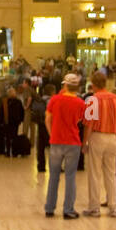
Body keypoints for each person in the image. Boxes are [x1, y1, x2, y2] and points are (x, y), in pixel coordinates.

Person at [84, 72, 116, 217]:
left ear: (93, 84)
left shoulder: (92, 100)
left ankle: (94, 207)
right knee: (111, 173)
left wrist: (85, 142)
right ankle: (113, 206)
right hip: (112, 138)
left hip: (98, 137)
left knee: (94, 173)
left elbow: (89, 124)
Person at [44, 74, 87, 219]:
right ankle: (68, 209)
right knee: (70, 177)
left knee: (53, 176)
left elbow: (47, 119)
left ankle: (49, 208)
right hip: (73, 142)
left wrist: (52, 134)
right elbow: (82, 121)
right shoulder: (81, 103)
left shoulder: (54, 100)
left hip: (56, 141)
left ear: (65, 85)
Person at [30, 85, 51, 172]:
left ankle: (41, 166)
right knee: (53, 148)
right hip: (50, 126)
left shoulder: (39, 101)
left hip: (40, 125)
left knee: (40, 147)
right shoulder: (52, 101)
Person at [3, 86, 25, 157]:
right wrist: (21, 120)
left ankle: (8, 152)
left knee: (7, 137)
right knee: (14, 136)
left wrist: (1, 121)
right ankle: (15, 152)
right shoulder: (18, 101)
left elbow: (2, 112)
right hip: (16, 122)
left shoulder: (5, 101)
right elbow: (22, 111)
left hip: (7, 121)